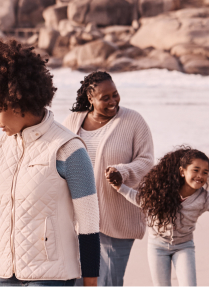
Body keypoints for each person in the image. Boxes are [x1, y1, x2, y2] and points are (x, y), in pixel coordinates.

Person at [0, 39, 101, 286]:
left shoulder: (68, 148)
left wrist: (90, 282)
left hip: (51, 276)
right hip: (5, 273)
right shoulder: (1, 148)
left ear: (18, 100)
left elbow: (89, 221)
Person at [109, 146, 209, 286]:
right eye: (195, 170)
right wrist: (119, 186)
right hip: (157, 246)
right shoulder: (163, 193)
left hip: (184, 246)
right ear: (182, 171)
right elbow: (139, 199)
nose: (200, 176)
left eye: (205, 172)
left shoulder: (204, 199)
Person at [62, 71, 154, 286]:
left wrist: (122, 172)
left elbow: (147, 160)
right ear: (90, 99)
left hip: (116, 219)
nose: (113, 101)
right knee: (75, 281)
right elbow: (57, 159)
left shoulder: (133, 121)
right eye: (105, 98)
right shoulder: (72, 121)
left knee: (109, 282)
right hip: (76, 220)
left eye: (115, 94)